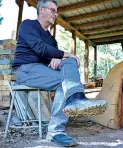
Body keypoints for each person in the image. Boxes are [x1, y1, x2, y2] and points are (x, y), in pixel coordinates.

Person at [12, 0, 107, 147]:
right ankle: (68, 111)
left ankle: (74, 102)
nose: (56, 14)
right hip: (25, 70)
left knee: (70, 65)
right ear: (41, 9)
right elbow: (40, 48)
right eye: (53, 10)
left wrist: (59, 57)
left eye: (56, 11)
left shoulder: (51, 39)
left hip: (43, 71)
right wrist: (64, 54)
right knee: (67, 77)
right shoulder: (28, 25)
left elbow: (51, 54)